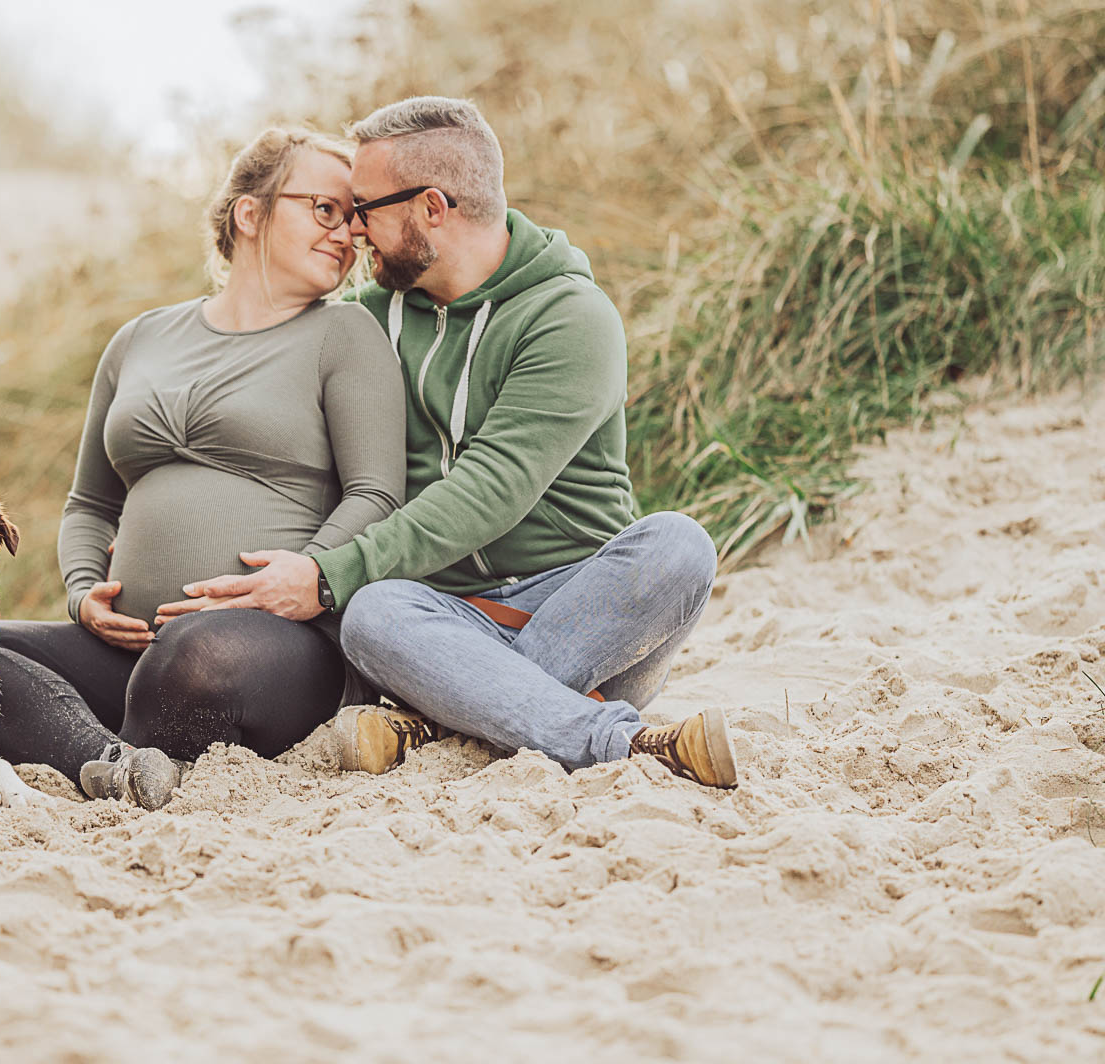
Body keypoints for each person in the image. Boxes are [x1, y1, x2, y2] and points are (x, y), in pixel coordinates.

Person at [158, 97, 738, 789]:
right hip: (436, 617)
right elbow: (280, 431)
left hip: (579, 611)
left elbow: (492, 490)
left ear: (432, 208)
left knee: (679, 545)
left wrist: (325, 577)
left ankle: (440, 720)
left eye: (364, 207)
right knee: (374, 612)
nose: (353, 231)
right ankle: (609, 737)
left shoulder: (570, 318)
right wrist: (170, 488)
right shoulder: (367, 319)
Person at [0, 128, 406, 809]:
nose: (346, 235)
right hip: (127, 644)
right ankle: (115, 763)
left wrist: (295, 578)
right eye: (324, 210)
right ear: (251, 213)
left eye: (353, 221)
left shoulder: (346, 335)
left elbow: (377, 493)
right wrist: (83, 593)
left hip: (275, 644)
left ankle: (87, 751)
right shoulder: (141, 340)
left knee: (193, 659)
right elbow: (89, 503)